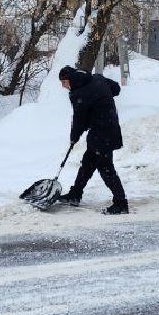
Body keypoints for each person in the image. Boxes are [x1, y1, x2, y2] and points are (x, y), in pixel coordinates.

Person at [57, 65, 128, 215]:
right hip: (108, 128)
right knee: (88, 163)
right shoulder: (97, 79)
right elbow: (116, 89)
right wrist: (102, 100)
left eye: (63, 83)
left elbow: (79, 120)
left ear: (69, 79)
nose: (64, 87)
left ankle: (121, 203)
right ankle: (75, 194)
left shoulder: (78, 94)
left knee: (106, 168)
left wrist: (73, 138)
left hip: (102, 133)